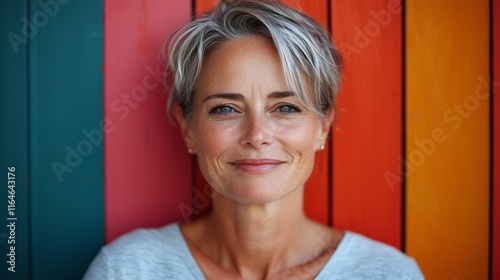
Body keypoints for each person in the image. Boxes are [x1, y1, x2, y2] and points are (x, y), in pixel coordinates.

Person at [84, 0, 424, 279]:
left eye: (286, 107)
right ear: (187, 127)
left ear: (323, 127)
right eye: (226, 109)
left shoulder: (389, 274)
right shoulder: (127, 270)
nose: (257, 135)